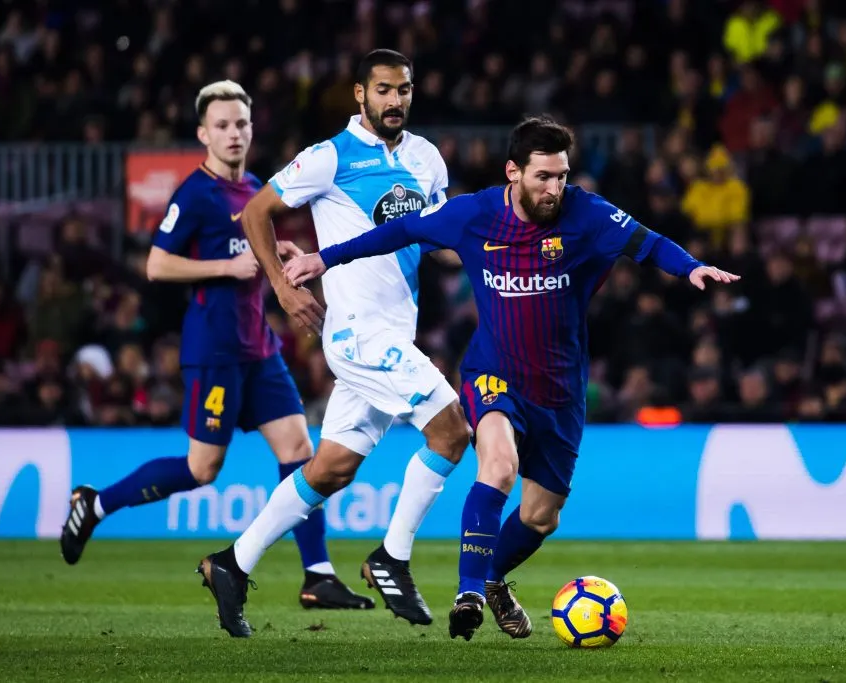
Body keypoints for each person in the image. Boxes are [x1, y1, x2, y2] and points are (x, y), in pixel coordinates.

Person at [282, 115, 740, 641]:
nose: (555, 188)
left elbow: (646, 241)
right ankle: (469, 591)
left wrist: (691, 267)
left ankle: (494, 578)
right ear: (513, 173)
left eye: (563, 175)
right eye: (544, 176)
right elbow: (400, 231)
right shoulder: (473, 215)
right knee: (498, 467)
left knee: (542, 516)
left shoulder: (586, 213)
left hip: (560, 388)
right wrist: (325, 258)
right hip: (494, 372)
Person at [58, 80, 374, 615]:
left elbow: (251, 245)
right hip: (215, 351)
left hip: (260, 349)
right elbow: (157, 264)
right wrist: (226, 266)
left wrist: (280, 249)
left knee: (301, 454)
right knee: (203, 469)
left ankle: (317, 576)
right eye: (222, 126)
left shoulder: (253, 185)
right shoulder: (195, 194)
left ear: (252, 129)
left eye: (242, 124)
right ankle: (96, 503)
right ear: (203, 134)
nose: (234, 134)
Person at [196, 50, 472, 637]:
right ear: (359, 93)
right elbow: (255, 214)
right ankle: (392, 558)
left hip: (395, 332)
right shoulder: (329, 157)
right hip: (356, 334)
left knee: (329, 470)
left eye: (404, 90)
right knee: (451, 430)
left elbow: (440, 239)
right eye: (383, 90)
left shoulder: (425, 157)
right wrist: (282, 289)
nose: (394, 100)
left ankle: (232, 563)